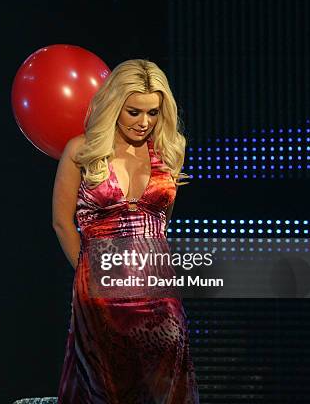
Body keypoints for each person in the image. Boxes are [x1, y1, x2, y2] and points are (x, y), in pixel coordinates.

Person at [52, 59, 199, 403]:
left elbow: (160, 223)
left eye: (153, 113)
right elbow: (61, 221)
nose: (144, 122)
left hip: (158, 294)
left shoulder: (169, 151)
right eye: (134, 112)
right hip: (101, 295)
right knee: (105, 387)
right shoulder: (82, 150)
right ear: (115, 104)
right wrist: (88, 273)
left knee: (163, 386)